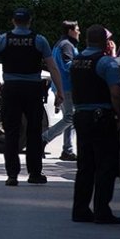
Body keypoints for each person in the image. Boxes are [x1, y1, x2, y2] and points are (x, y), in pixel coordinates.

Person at [0, 8, 65, 186]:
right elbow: (53, 67)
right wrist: (60, 91)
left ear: (13, 21)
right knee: (34, 132)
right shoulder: (39, 40)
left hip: (11, 89)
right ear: (30, 21)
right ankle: (35, 173)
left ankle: (12, 175)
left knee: (11, 132)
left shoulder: (2, 39)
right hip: (33, 89)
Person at [71, 24, 120, 224]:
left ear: (86, 40)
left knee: (85, 165)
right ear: (104, 42)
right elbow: (116, 93)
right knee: (105, 165)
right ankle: (102, 210)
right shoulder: (106, 63)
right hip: (101, 117)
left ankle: (80, 209)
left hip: (81, 117)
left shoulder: (76, 61)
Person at [42, 20, 80, 161]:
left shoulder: (61, 43)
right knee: (70, 117)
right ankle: (44, 139)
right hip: (67, 87)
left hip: (62, 86)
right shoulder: (67, 45)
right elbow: (68, 66)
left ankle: (67, 150)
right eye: (77, 29)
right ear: (70, 31)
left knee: (69, 118)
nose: (79, 32)